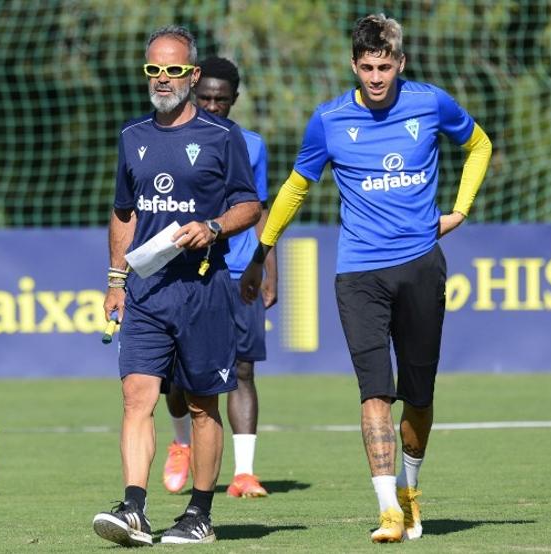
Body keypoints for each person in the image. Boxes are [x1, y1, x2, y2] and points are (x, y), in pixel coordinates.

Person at [240, 14, 491, 543]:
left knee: (418, 394)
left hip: (421, 265)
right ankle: (387, 511)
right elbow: (294, 188)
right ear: (353, 65)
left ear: (400, 63)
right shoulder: (328, 121)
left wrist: (461, 211)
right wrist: (263, 250)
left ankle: (410, 490)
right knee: (374, 389)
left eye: (386, 66)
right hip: (358, 273)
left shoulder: (430, 103)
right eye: (367, 67)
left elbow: (480, 145)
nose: (376, 77)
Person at [91, 26, 261, 546]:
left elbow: (249, 205)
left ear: (191, 75)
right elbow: (123, 212)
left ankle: (200, 513)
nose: (161, 80)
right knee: (135, 397)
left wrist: (212, 227)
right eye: (153, 70)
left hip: (203, 290)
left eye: (172, 70)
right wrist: (117, 278)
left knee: (203, 404)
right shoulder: (131, 137)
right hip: (146, 292)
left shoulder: (222, 136)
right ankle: (135, 508)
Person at [161, 56, 277, 499]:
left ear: (234, 100)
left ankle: (244, 473)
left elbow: (261, 208)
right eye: (205, 97)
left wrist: (266, 266)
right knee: (177, 376)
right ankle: (181, 443)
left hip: (237, 271)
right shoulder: (168, 140)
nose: (212, 106)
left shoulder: (252, 145)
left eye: (221, 100)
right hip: (185, 273)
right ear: (192, 91)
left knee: (242, 369)